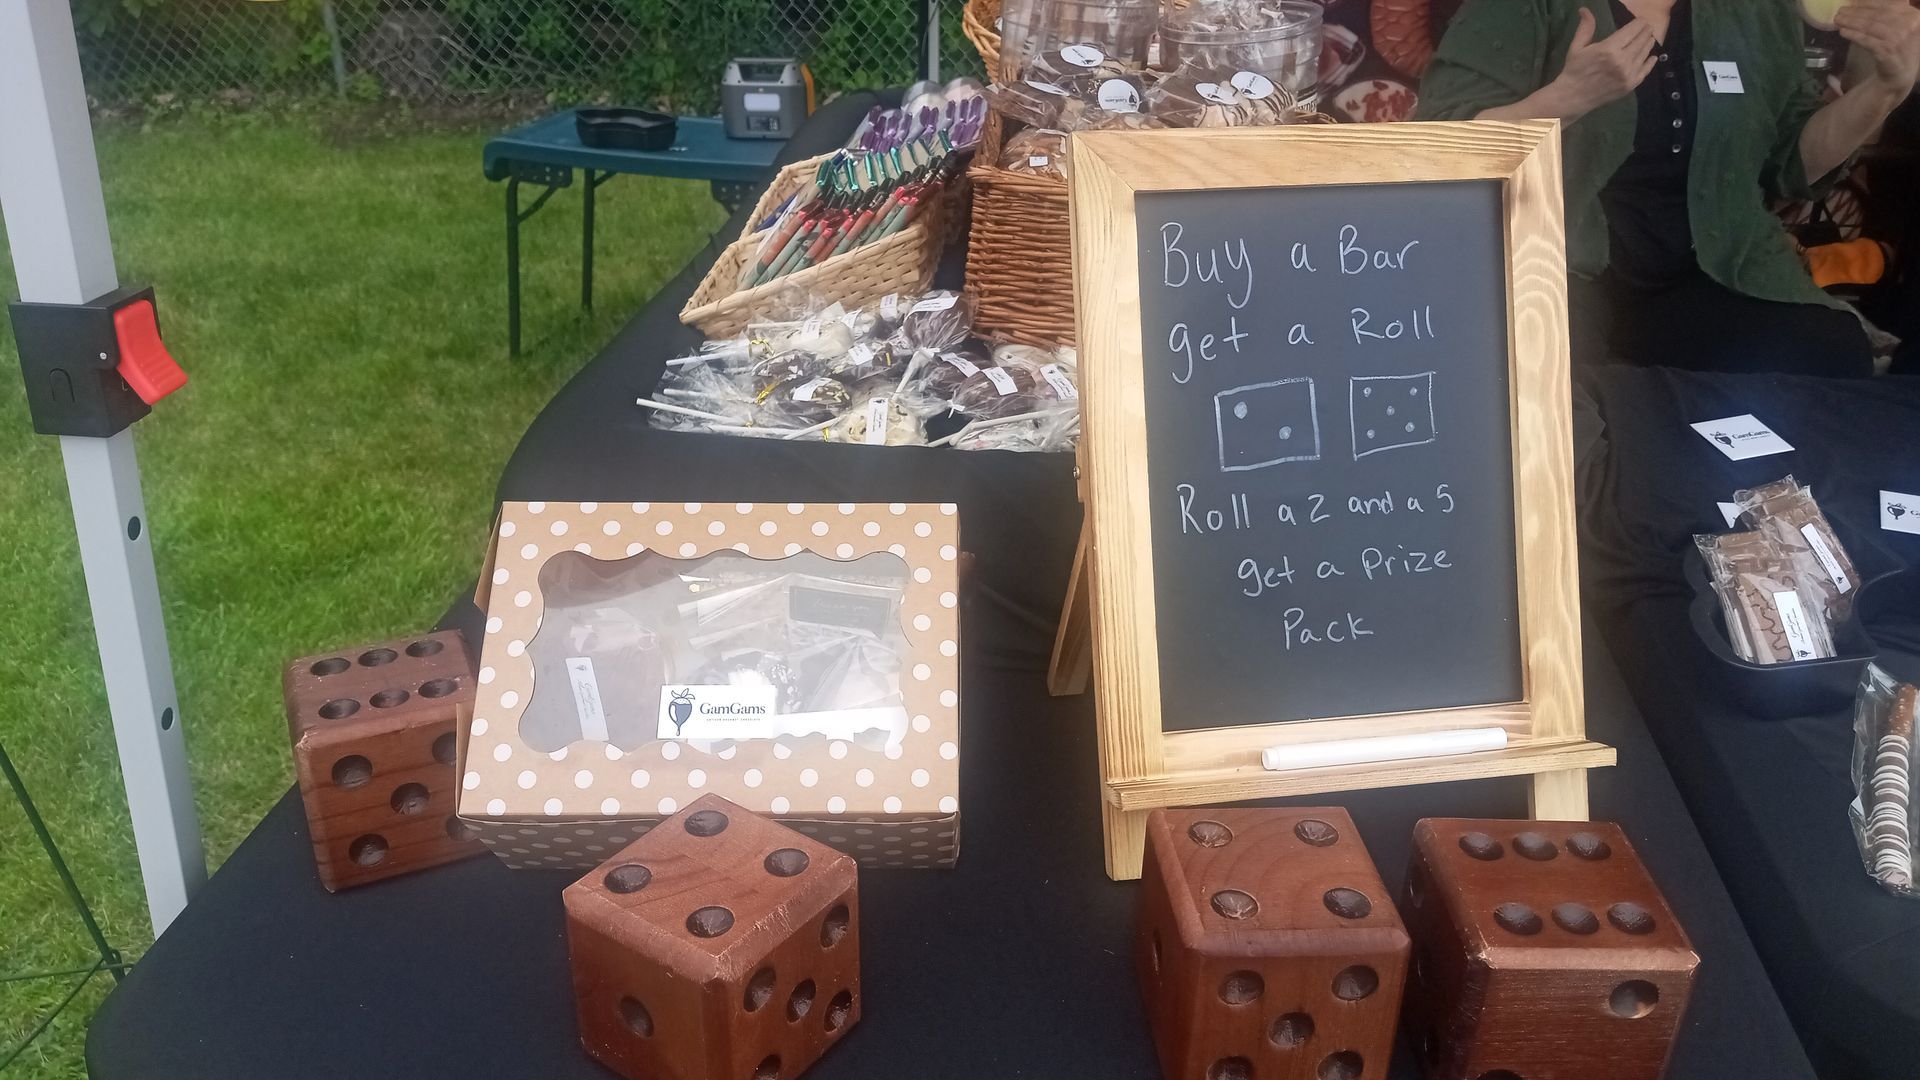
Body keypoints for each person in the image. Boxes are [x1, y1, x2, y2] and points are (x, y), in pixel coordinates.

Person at [1417, 0, 1920, 377]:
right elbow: (1438, 150)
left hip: (1715, 271)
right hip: (1557, 274)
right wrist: (1566, 99)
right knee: (1542, 403)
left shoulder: (1756, 9)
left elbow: (1790, 162)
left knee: (1826, 353)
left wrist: (1884, 91)